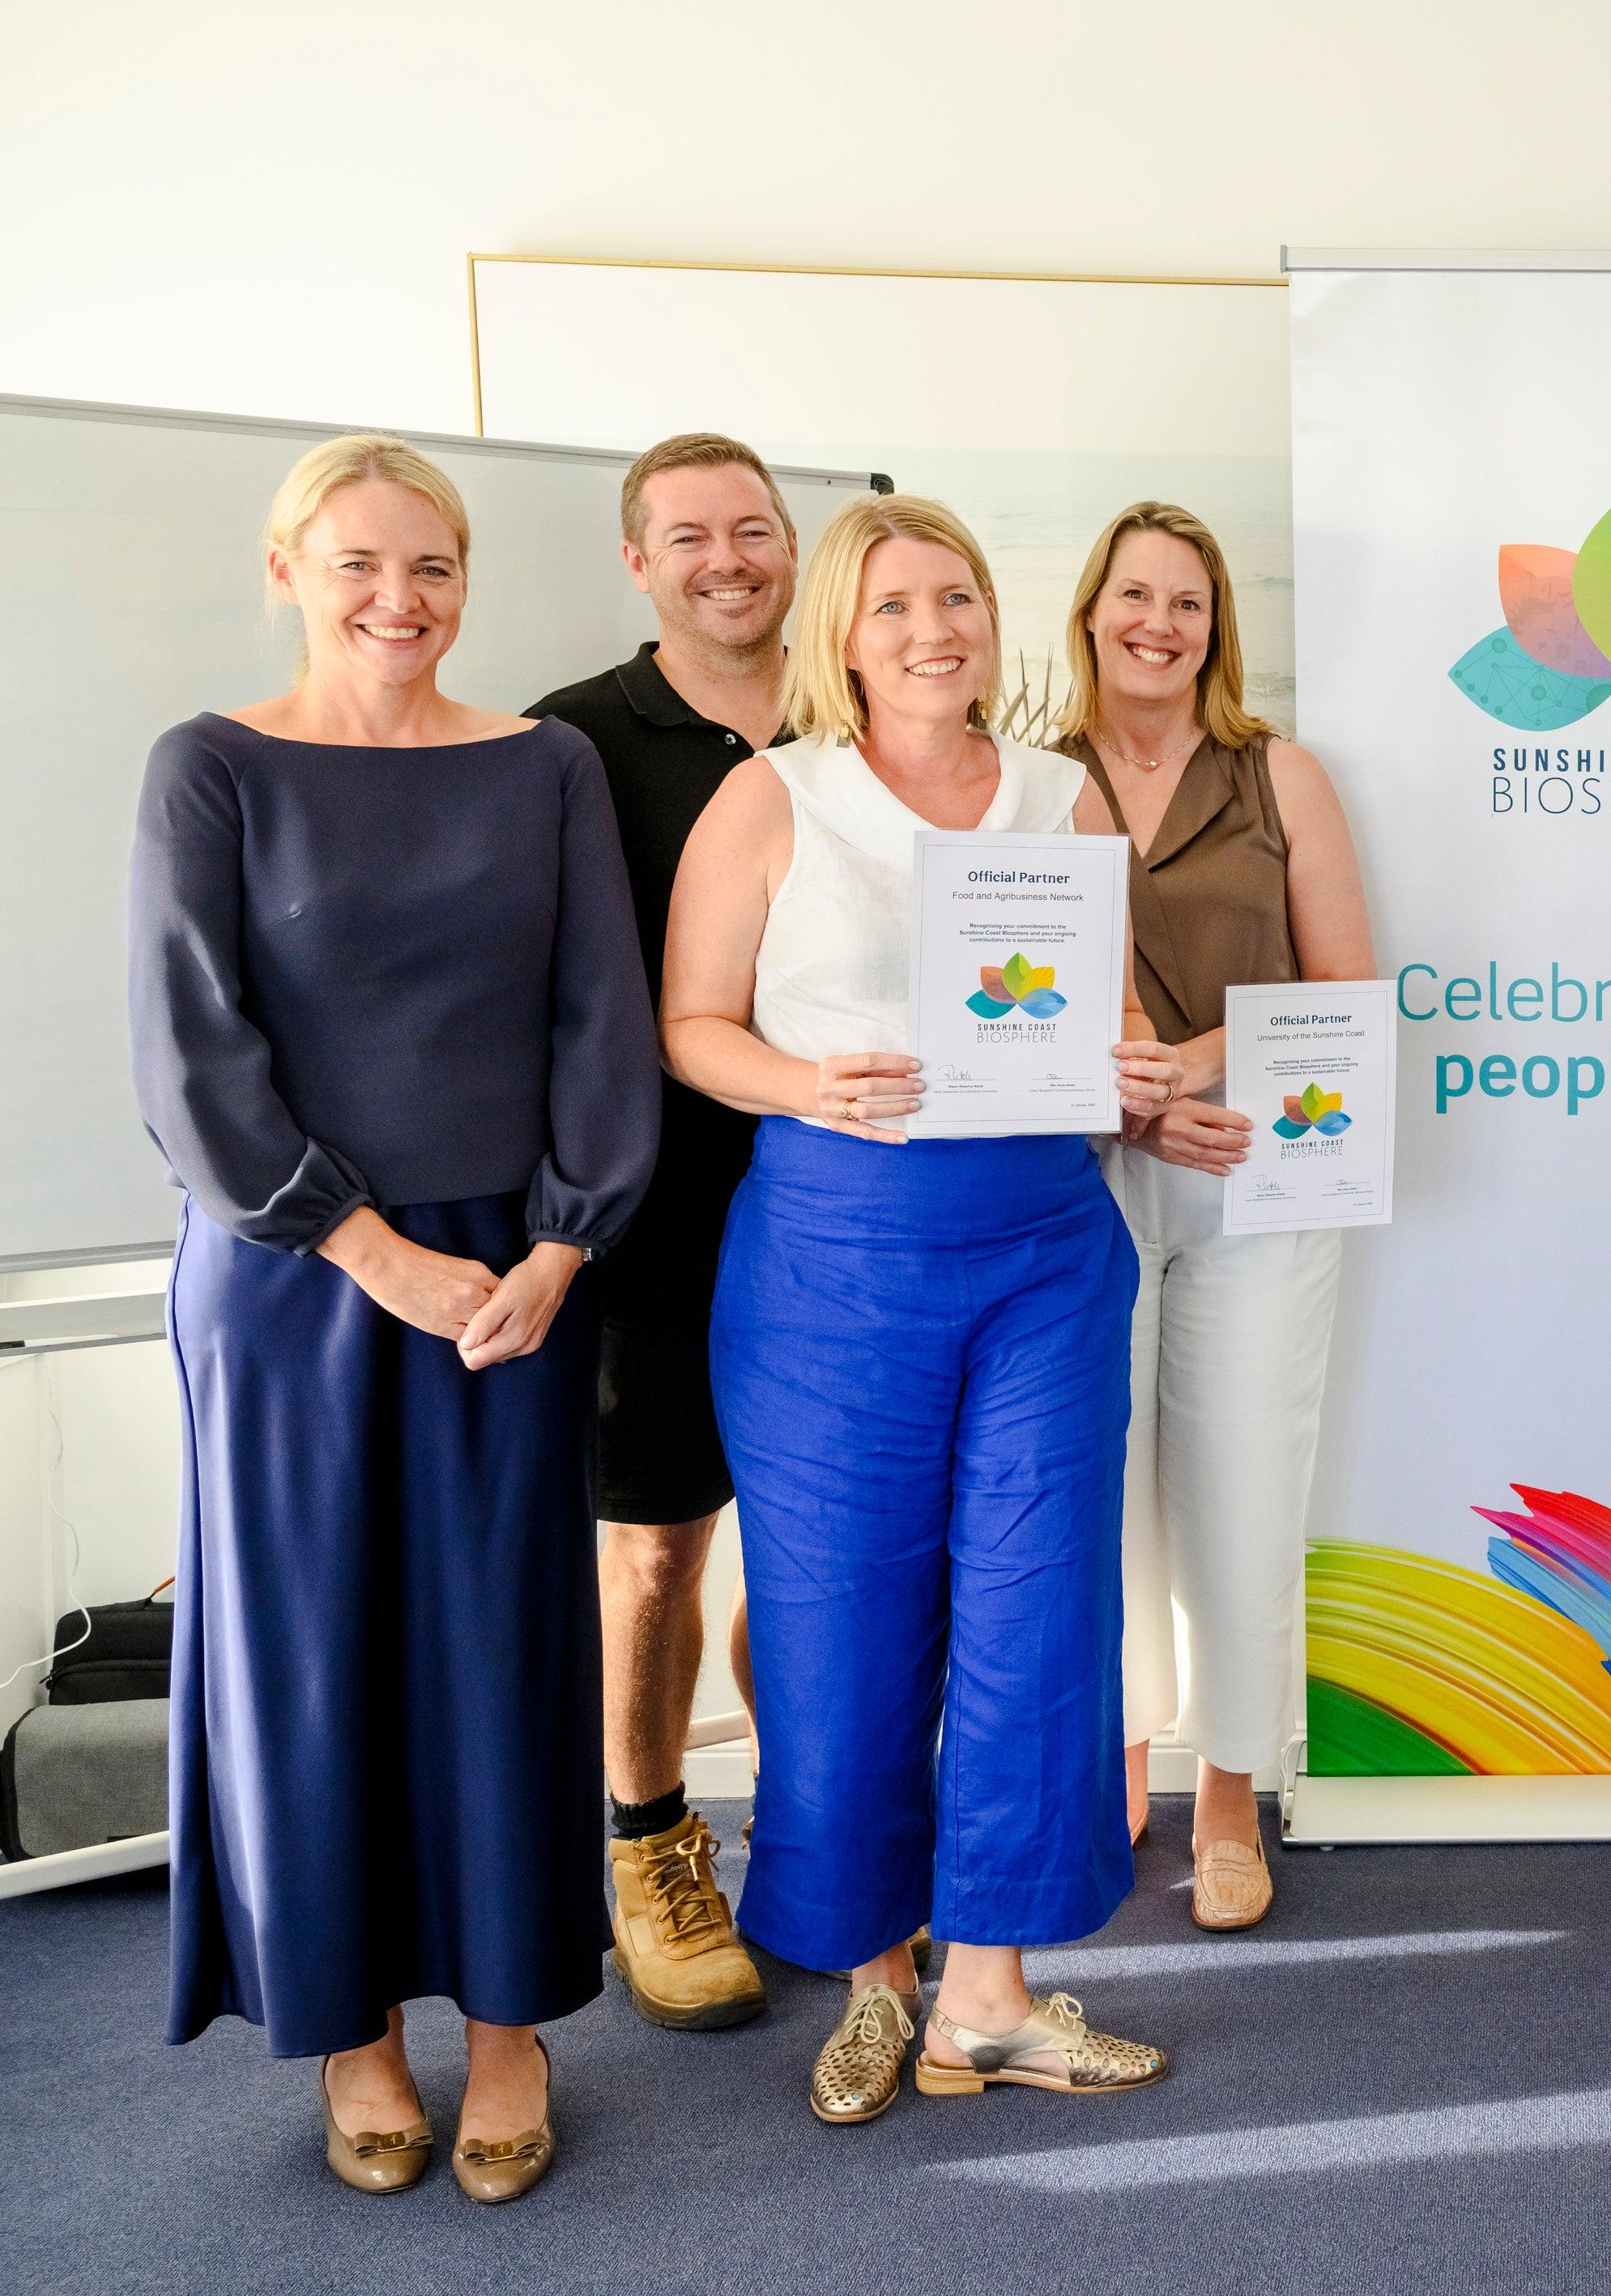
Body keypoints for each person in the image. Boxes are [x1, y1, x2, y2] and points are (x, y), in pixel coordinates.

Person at [131, 434, 657, 2201]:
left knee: (505, 1651)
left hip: (515, 1278)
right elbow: (193, 1054)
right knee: (311, 1656)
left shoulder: (547, 765)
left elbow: (602, 1019)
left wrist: (561, 1249)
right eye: (358, 562)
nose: (398, 598)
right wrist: (370, 1252)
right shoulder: (209, 767)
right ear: (288, 567)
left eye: (431, 565)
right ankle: (355, 2036)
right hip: (290, 1278)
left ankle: (510, 2032)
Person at [659, 495, 1177, 2120]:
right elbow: (690, 1022)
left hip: (1039, 1247)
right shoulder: (769, 798)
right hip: (831, 1256)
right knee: (838, 1622)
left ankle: (991, 2000)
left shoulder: (1061, 798)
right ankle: (876, 1981)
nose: (931, 628)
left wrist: (1139, 1069)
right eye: (891, 604)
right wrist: (809, 1078)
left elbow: (1110, 1019)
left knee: (1038, 1613)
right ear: (839, 628)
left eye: (955, 594)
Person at [1053, 501, 1374, 1929]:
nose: (1160, 624)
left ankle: (1232, 1794)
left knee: (1243, 1483)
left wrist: (1186, 1072)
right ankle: (1115, 1768)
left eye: (1188, 602)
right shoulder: (1023, 778)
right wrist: (1124, 1098)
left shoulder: (1277, 775)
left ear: (1216, 627)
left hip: (1260, 1164)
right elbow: (1002, 993)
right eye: (1137, 595)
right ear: (1091, 609)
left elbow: (1346, 988)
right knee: (1093, 1490)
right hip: (1077, 1177)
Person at [526, 433, 795, 2032]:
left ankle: (823, 1833)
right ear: (639, 561)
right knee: (652, 1554)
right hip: (652, 1207)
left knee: (834, 1550)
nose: (726, 556)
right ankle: (652, 1845)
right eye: (687, 533)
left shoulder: (866, 717)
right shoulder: (564, 742)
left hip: (852, 1200)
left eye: (754, 528)